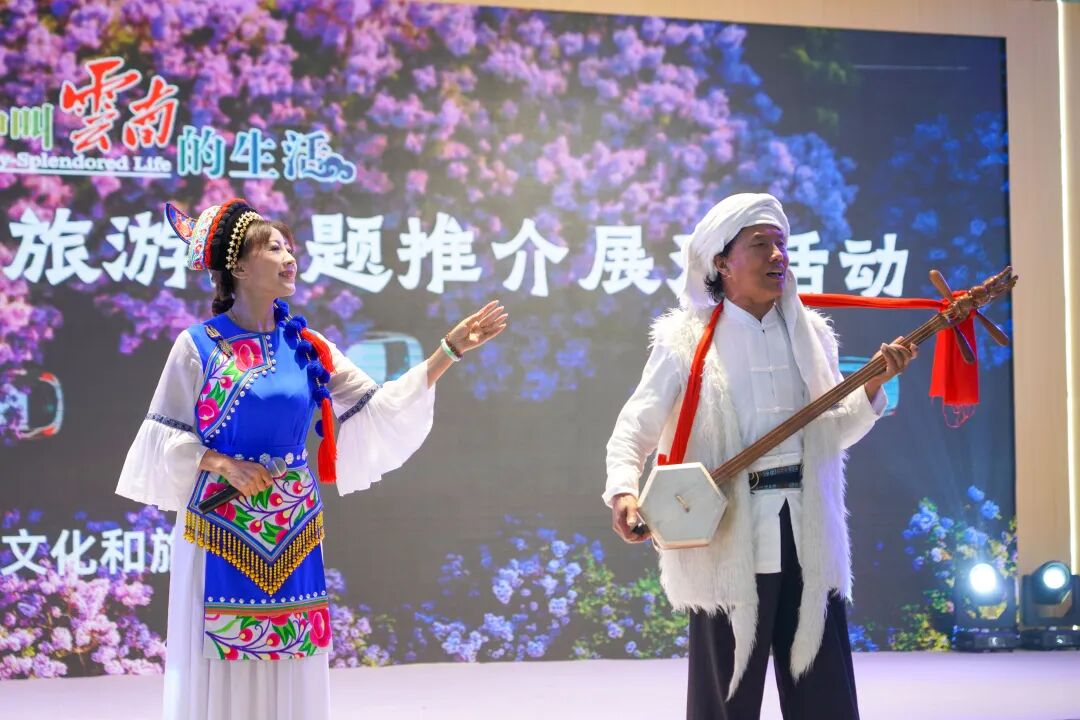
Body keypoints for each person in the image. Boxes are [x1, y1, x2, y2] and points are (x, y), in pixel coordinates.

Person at [115, 198, 507, 720]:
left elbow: (377, 406)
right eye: (274, 249)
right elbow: (164, 434)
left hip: (292, 529)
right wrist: (222, 463)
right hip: (219, 527)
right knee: (220, 664)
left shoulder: (307, 346)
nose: (289, 258)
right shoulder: (198, 346)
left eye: (289, 248)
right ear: (239, 267)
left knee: (294, 658)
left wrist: (448, 352)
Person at [604, 193, 916, 719]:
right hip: (727, 534)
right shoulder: (685, 342)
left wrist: (871, 387)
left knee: (825, 699)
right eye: (760, 244)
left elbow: (832, 433)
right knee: (724, 703)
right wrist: (623, 491)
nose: (778, 256)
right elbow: (635, 425)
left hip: (806, 533)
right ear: (721, 262)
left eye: (781, 244)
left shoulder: (812, 334)